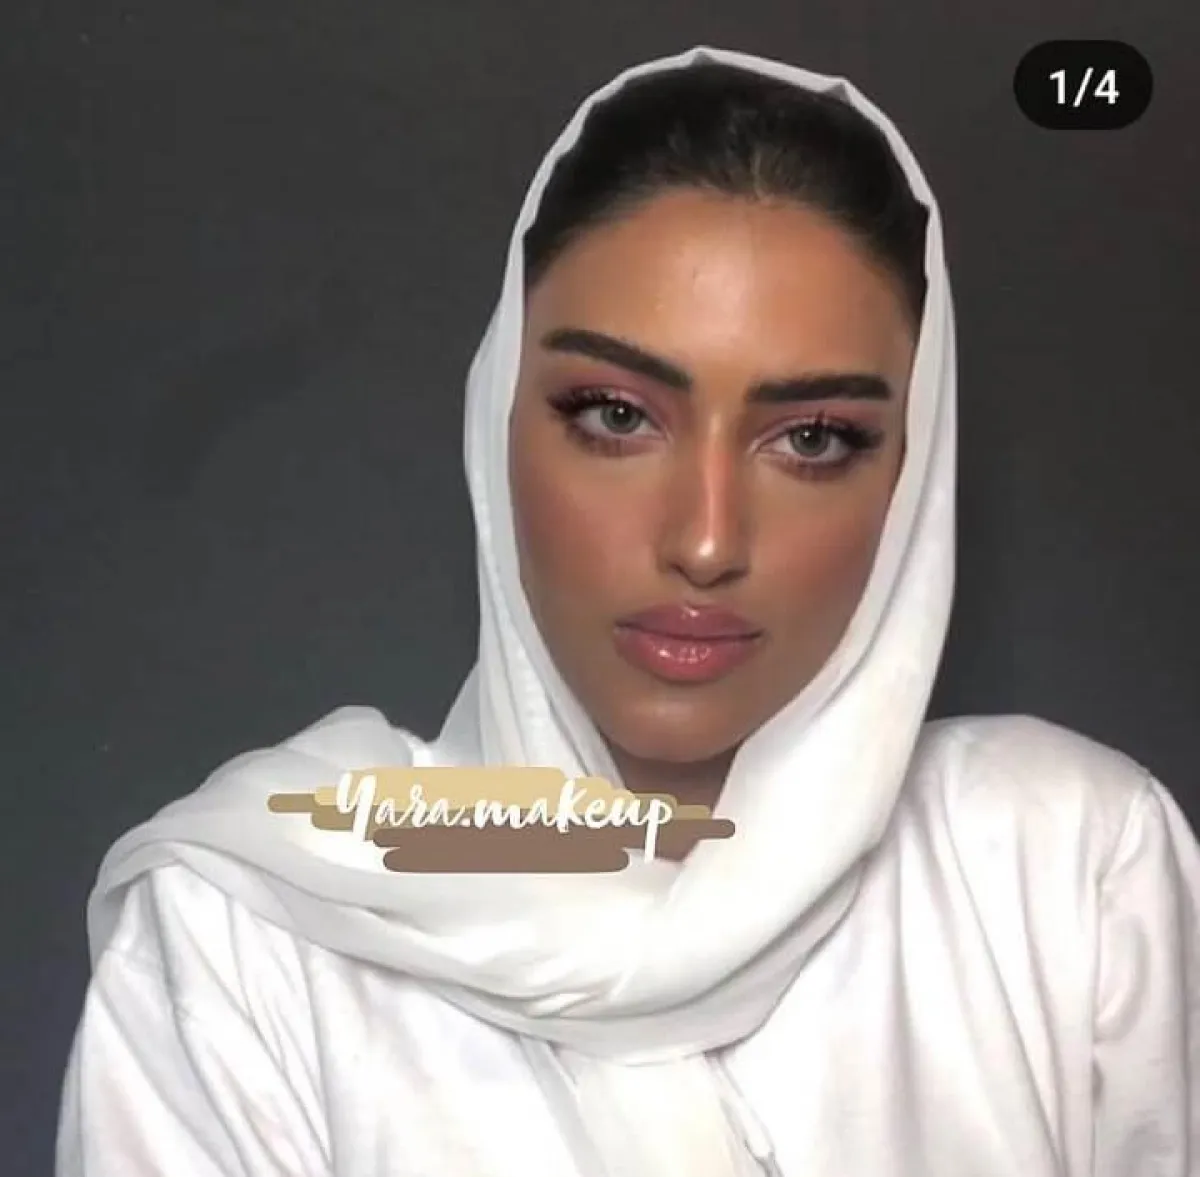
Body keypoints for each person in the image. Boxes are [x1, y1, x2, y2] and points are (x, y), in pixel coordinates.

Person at [55, 45, 1199, 1177]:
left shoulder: (1072, 871)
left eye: (812, 438)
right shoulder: (251, 940)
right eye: (615, 415)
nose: (705, 541)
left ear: (911, 480)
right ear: (498, 420)